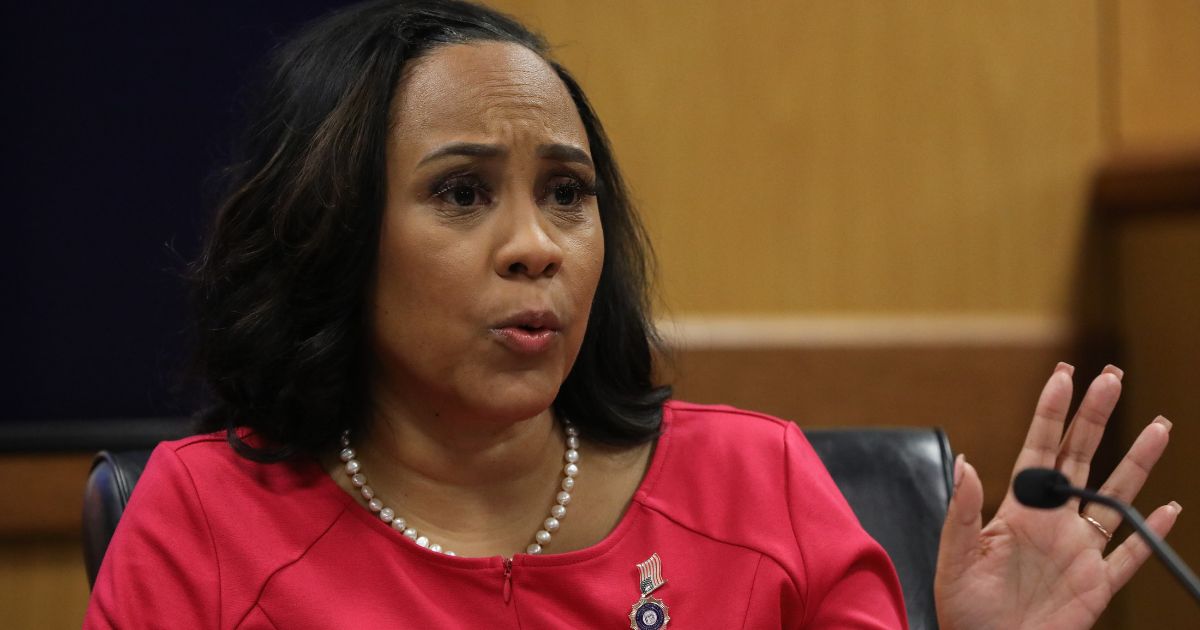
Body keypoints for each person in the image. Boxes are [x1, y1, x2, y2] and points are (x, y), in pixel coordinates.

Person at [84, 1, 1180, 627]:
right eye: (462, 194)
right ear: (334, 230)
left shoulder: (761, 488)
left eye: (567, 194)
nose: (537, 245)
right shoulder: (204, 525)